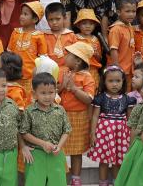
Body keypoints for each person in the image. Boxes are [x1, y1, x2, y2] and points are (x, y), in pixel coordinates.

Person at [87, 66, 136, 186]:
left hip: (121, 134)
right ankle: (103, 182)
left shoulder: (127, 99)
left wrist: (131, 137)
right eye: (111, 81)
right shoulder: (100, 98)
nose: (115, 84)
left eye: (118, 81)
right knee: (104, 161)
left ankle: (116, 182)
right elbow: (94, 117)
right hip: (104, 134)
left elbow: (130, 120)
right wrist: (92, 134)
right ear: (104, 81)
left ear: (123, 81)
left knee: (118, 161)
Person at [20, 72, 71, 186]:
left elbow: (66, 130)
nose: (48, 96)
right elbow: (24, 132)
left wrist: (60, 146)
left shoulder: (60, 110)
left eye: (51, 93)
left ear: (55, 92)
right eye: (43, 93)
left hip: (56, 154)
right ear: (34, 94)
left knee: (58, 182)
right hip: (36, 155)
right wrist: (42, 143)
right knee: (34, 182)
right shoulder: (29, 111)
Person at [57, 42, 95, 185]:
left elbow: (88, 99)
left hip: (79, 117)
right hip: (62, 115)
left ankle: (76, 179)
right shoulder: (62, 72)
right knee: (60, 148)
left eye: (68, 55)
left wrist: (73, 88)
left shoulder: (87, 77)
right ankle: (59, 174)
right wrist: (62, 85)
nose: (65, 57)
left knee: (77, 151)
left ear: (78, 60)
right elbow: (55, 93)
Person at [7, 1, 47, 97]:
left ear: (34, 19)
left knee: (28, 101)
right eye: (21, 13)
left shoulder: (39, 36)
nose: (21, 16)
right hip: (13, 75)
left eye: (25, 14)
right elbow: (9, 53)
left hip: (29, 77)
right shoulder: (15, 32)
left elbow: (42, 59)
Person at [108, 0, 137, 88]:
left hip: (129, 69)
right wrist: (117, 69)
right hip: (120, 70)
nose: (131, 14)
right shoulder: (116, 29)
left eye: (133, 11)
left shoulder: (129, 26)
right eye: (127, 11)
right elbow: (113, 50)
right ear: (119, 12)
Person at [74, 9, 103, 88]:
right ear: (78, 25)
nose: (88, 26)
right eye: (84, 23)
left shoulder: (95, 39)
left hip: (93, 70)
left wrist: (95, 52)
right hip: (78, 70)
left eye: (91, 24)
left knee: (93, 91)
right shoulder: (75, 38)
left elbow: (99, 59)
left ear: (94, 25)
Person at [44, 2, 78, 66]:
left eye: (58, 19)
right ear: (47, 20)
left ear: (64, 18)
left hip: (67, 69)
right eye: (51, 19)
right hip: (49, 70)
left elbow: (76, 54)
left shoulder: (71, 35)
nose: (54, 22)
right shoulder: (44, 35)